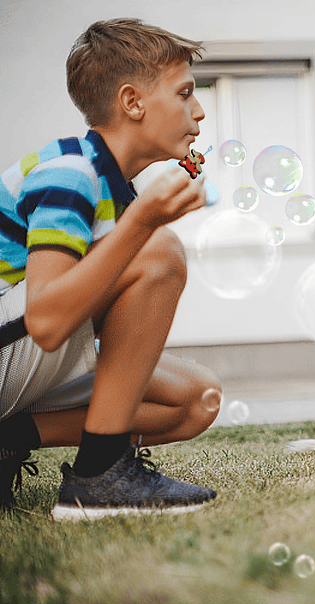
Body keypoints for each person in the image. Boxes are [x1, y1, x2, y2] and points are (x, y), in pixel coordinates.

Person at [0, 18, 222, 520]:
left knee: (198, 399)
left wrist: (138, 219)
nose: (199, 111)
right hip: (13, 350)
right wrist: (143, 222)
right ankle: (99, 475)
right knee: (158, 249)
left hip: (21, 359)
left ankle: (7, 441)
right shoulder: (69, 172)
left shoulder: (115, 191)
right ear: (132, 102)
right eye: (185, 93)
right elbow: (47, 321)